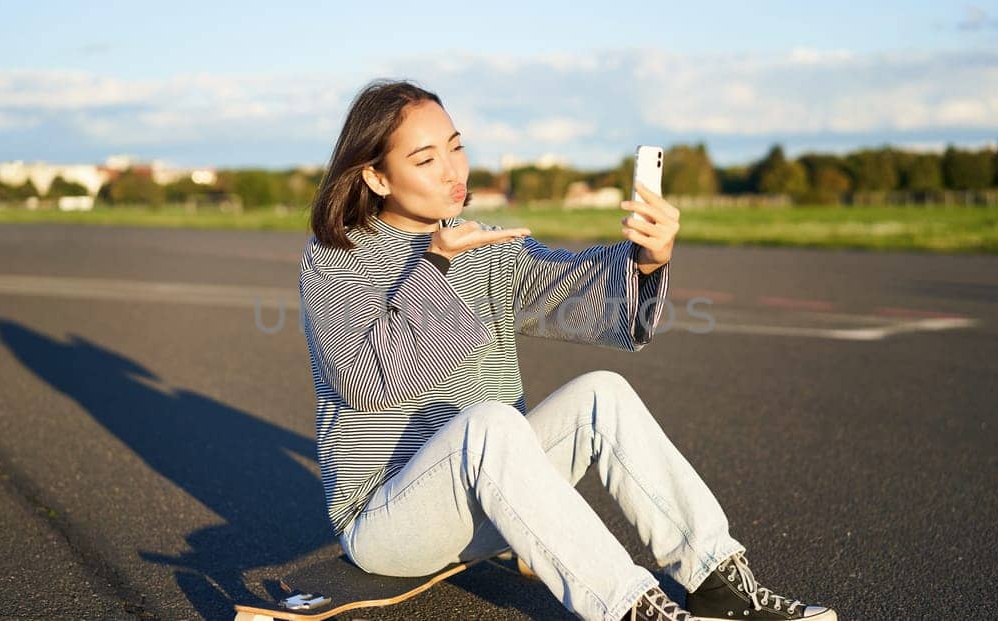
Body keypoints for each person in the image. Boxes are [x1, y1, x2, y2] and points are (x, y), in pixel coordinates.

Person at [297, 79, 838, 621]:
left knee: (603, 392)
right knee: (490, 423)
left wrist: (647, 259)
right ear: (376, 175)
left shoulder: (483, 244)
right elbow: (373, 383)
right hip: (388, 522)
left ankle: (718, 584)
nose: (452, 171)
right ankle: (628, 607)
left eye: (456, 147)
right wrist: (436, 269)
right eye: (425, 159)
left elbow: (564, 286)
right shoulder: (335, 258)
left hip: (493, 501)